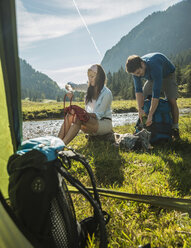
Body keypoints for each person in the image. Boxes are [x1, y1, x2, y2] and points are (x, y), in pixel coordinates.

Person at [125, 52, 179, 138]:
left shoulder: (154, 64)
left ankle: (175, 128)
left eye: (138, 72)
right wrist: (140, 109)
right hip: (152, 78)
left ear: (142, 64)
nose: (138, 75)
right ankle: (144, 126)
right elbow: (138, 91)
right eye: (135, 74)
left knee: (171, 100)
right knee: (144, 96)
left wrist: (150, 114)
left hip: (168, 74)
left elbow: (156, 94)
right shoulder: (135, 71)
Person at [58, 64, 113, 145]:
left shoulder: (107, 93)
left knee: (79, 117)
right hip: (89, 122)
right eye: (88, 77)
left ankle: (62, 145)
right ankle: (56, 142)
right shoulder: (88, 88)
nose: (90, 79)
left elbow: (99, 115)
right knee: (71, 113)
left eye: (92, 76)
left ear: (99, 77)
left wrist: (82, 113)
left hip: (103, 124)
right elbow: (70, 84)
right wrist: (70, 90)